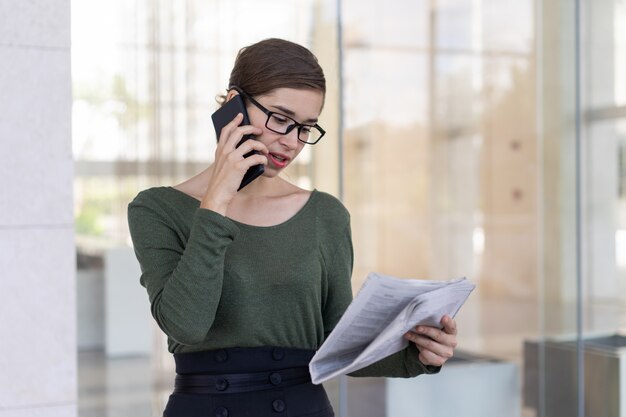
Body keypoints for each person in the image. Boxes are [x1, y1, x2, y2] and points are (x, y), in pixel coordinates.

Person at [128, 38, 458, 417]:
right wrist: (217, 200)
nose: (291, 142)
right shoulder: (157, 209)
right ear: (233, 105)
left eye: (306, 128)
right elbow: (186, 325)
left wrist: (419, 354)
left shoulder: (325, 215)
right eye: (280, 119)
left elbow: (338, 343)